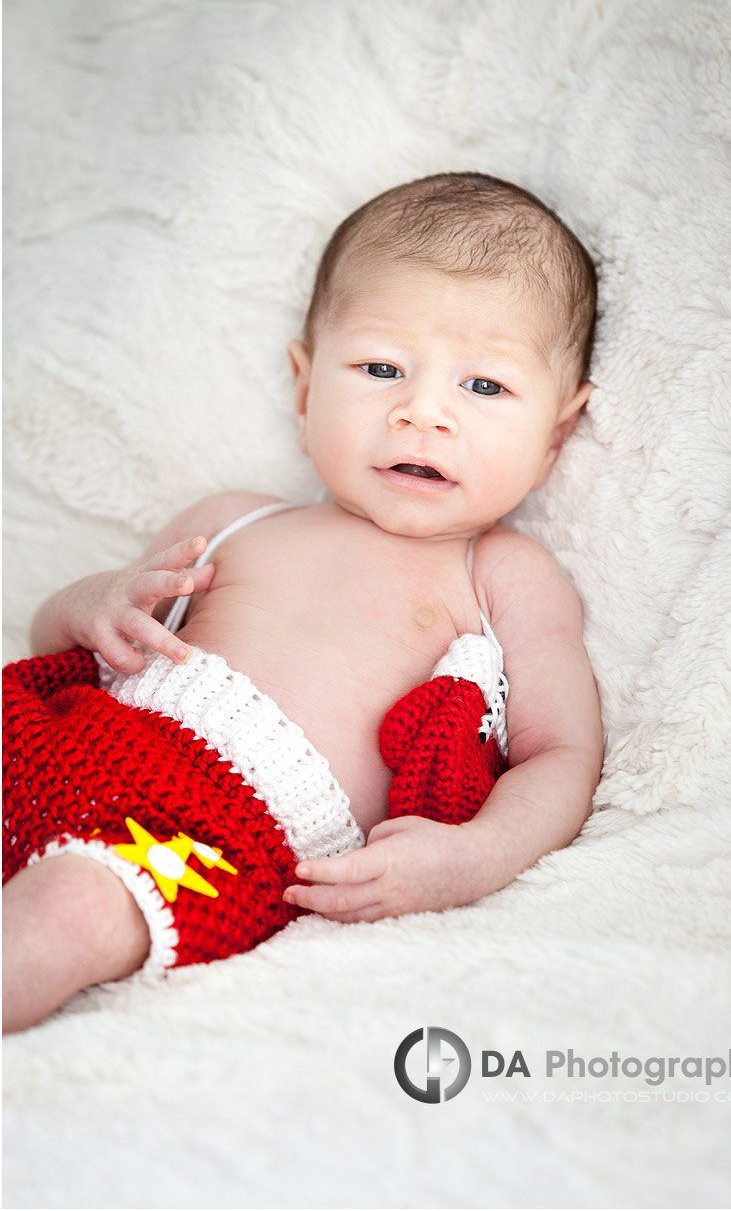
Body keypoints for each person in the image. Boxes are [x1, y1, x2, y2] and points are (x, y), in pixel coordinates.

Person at [3, 172, 603, 1033]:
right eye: (380, 368)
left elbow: (561, 756)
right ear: (304, 385)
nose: (420, 414)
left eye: (484, 388)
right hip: (66, 740)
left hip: (212, 839)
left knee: (72, 907)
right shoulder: (231, 521)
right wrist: (93, 602)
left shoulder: (500, 574)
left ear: (555, 432)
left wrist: (475, 856)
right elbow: (67, 643)